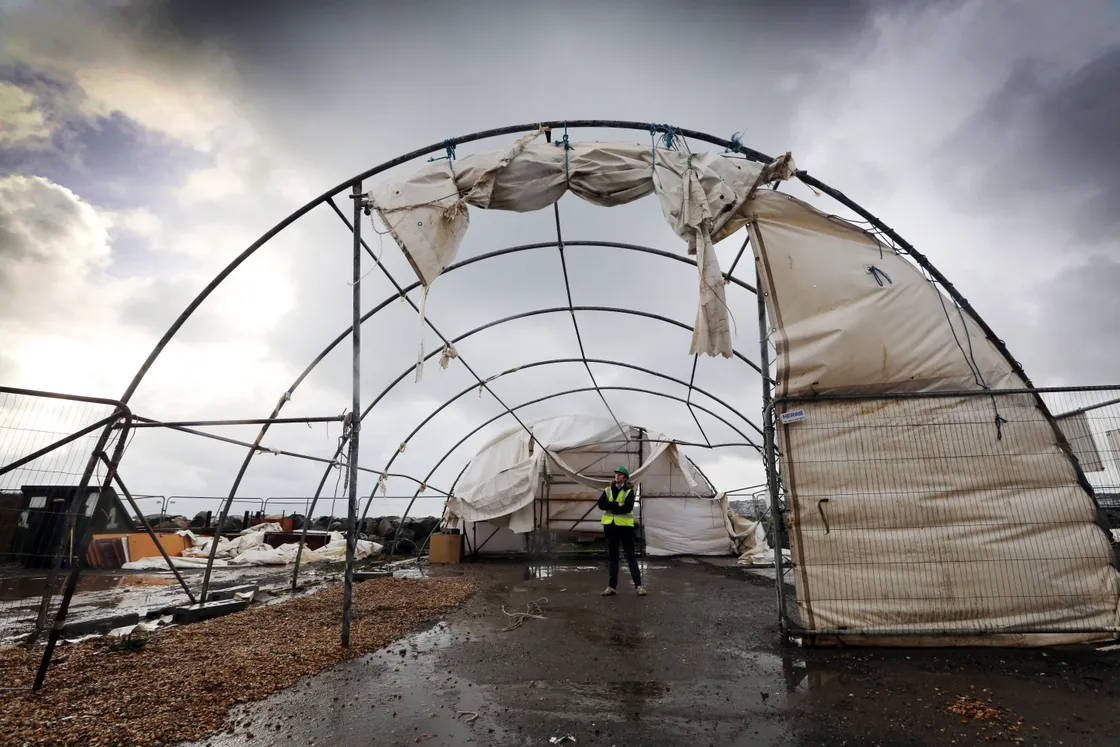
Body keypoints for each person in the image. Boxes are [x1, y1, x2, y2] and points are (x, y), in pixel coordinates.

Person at [598, 466, 646, 596]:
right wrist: (616, 505)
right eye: (616, 474)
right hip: (610, 527)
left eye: (620, 475)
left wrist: (611, 506)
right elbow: (601, 504)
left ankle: (639, 586)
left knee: (630, 556)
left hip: (625, 528)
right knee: (613, 557)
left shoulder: (629, 491)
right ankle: (611, 587)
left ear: (625, 478)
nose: (617, 476)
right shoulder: (608, 490)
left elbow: (627, 507)